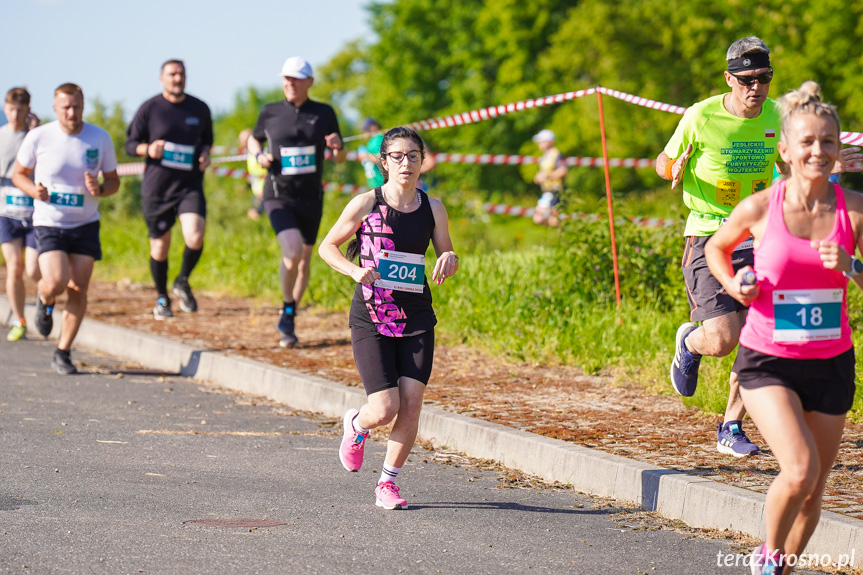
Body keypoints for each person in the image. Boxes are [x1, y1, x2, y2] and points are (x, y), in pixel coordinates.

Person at [656, 36, 860, 457]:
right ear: (729, 78)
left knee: (761, 334)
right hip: (710, 231)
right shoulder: (700, 116)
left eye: (764, 77)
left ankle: (730, 425)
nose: (756, 86)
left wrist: (836, 161)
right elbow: (663, 160)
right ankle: (690, 343)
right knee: (722, 339)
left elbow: (797, 159)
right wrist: (673, 167)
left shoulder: (776, 116)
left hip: (763, 231)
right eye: (747, 79)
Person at [705, 81, 860, 575]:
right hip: (768, 361)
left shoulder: (854, 210)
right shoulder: (760, 207)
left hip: (832, 361)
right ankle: (766, 558)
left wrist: (852, 266)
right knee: (799, 470)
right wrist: (735, 286)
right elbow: (715, 248)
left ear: (840, 150)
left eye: (829, 142)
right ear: (786, 150)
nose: (819, 151)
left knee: (814, 491)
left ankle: (781, 569)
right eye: (808, 142)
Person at [319, 126, 459, 510]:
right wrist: (352, 270)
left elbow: (447, 252)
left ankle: (387, 484)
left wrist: (449, 259)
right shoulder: (366, 203)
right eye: (397, 156)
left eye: (413, 155)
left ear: (422, 161)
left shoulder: (433, 208)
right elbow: (326, 247)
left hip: (416, 316)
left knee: (411, 403)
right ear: (383, 162)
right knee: (384, 408)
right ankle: (356, 425)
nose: (406, 163)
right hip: (372, 316)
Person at [12, 83, 119, 374]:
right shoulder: (39, 136)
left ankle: (63, 351)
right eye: (66, 107)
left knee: (79, 288)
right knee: (57, 280)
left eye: (77, 107)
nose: (72, 113)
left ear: (83, 106)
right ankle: (45, 299)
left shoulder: (99, 137)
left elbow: (114, 181)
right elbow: (18, 174)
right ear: (56, 108)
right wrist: (34, 191)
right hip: (50, 222)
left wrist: (100, 187)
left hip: (85, 223)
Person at [246, 57, 346, 347]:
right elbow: (254, 140)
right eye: (286, 78)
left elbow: (340, 157)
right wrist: (258, 155)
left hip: (311, 197)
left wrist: (336, 147)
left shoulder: (324, 112)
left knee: (303, 261)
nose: (289, 83)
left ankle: (289, 312)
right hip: (277, 193)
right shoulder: (270, 112)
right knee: (290, 251)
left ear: (309, 83)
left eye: (296, 79)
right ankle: (288, 307)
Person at [126, 60, 213, 320]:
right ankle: (162, 297)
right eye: (172, 74)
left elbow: (207, 140)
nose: (177, 78)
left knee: (195, 236)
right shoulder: (150, 108)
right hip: (158, 187)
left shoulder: (199, 108)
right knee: (160, 247)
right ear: (161, 78)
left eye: (181, 74)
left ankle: (182, 281)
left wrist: (206, 154)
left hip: (189, 185)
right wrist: (147, 149)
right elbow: (131, 144)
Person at [0, 87, 41, 341]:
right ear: (6, 108)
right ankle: (19, 319)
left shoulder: (37, 136)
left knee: (34, 271)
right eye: (12, 109)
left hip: (35, 213)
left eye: (21, 109)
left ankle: (44, 299)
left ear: (28, 110)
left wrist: (35, 132)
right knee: (14, 268)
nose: (16, 114)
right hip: (6, 213)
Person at [531, 129, 567, 226]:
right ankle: (560, 232)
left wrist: (547, 176)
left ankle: (563, 234)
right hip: (547, 191)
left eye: (541, 141)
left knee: (554, 220)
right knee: (538, 218)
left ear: (549, 141)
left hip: (557, 191)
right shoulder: (545, 156)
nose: (539, 144)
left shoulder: (556, 154)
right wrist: (538, 178)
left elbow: (563, 170)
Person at [238, 129, 267, 221]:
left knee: (254, 214)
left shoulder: (263, 153)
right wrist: (246, 186)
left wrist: (265, 188)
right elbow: (254, 174)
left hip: (265, 191)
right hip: (257, 192)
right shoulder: (249, 155)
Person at [358, 118, 384, 190]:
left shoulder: (377, 138)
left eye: (365, 130)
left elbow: (381, 158)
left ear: (374, 127)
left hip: (381, 183)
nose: (363, 133)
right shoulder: (371, 141)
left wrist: (365, 156)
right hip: (375, 184)